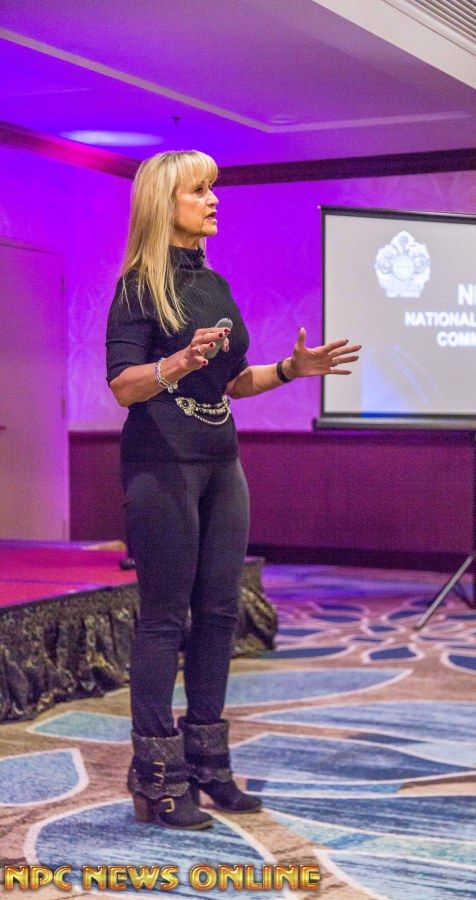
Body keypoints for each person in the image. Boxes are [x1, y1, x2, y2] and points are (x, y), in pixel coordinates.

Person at [105, 149, 360, 830]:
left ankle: (208, 763)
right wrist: (175, 362)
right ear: (165, 203)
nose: (213, 199)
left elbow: (234, 381)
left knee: (219, 613)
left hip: (222, 462)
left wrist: (292, 369)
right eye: (199, 190)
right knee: (166, 618)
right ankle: (157, 777)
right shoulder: (138, 287)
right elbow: (123, 385)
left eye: (213, 188)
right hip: (161, 463)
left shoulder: (213, 284)